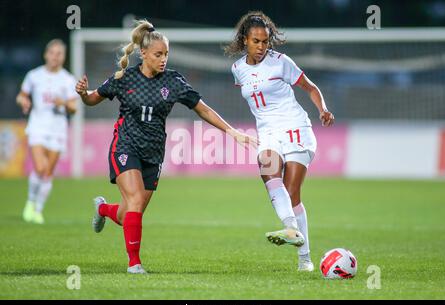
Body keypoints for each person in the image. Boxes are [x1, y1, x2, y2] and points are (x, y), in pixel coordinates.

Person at [75, 20, 257, 274]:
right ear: (144, 54)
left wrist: (232, 131)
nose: (163, 60)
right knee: (136, 201)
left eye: (166, 55)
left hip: (154, 153)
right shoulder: (124, 77)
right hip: (125, 146)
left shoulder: (173, 82)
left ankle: (103, 208)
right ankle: (134, 264)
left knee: (130, 211)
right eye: (158, 55)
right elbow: (93, 99)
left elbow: (202, 109)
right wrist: (84, 94)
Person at [225, 11, 335, 272]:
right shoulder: (237, 69)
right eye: (256, 41)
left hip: (295, 127)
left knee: (292, 192)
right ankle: (291, 228)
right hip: (268, 133)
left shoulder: (281, 62)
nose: (261, 47)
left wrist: (323, 109)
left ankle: (305, 259)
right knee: (267, 170)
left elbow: (310, 87)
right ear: (244, 40)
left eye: (265, 41)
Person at [16, 39, 78, 224]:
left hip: (58, 129)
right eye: (52, 53)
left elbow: (74, 108)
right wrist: (23, 101)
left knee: (48, 172)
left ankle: (38, 210)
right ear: (46, 54)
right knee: (40, 167)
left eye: (59, 54)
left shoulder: (68, 79)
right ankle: (30, 202)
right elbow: (22, 95)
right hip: (37, 126)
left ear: (63, 57)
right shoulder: (34, 76)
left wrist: (65, 103)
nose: (55, 57)